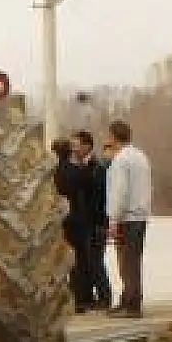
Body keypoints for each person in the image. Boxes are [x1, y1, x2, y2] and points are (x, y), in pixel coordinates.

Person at [103, 121, 151, 317]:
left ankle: (132, 305)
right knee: (134, 260)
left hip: (126, 217)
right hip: (140, 216)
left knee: (126, 262)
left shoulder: (121, 160)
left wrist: (113, 219)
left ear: (114, 137)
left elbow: (119, 191)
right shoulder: (141, 156)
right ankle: (129, 299)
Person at [52, 138, 96, 311]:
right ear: (69, 152)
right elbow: (90, 183)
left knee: (58, 261)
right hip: (76, 220)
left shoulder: (51, 172)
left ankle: (59, 300)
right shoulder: (76, 171)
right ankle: (80, 299)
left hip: (57, 221)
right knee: (79, 261)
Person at [74, 129, 113, 311]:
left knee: (96, 261)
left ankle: (105, 297)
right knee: (89, 261)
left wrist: (99, 223)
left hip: (96, 222)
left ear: (87, 146)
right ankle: (90, 297)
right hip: (86, 223)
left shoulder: (96, 167)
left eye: (77, 145)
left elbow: (99, 197)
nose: (74, 149)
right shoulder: (84, 166)